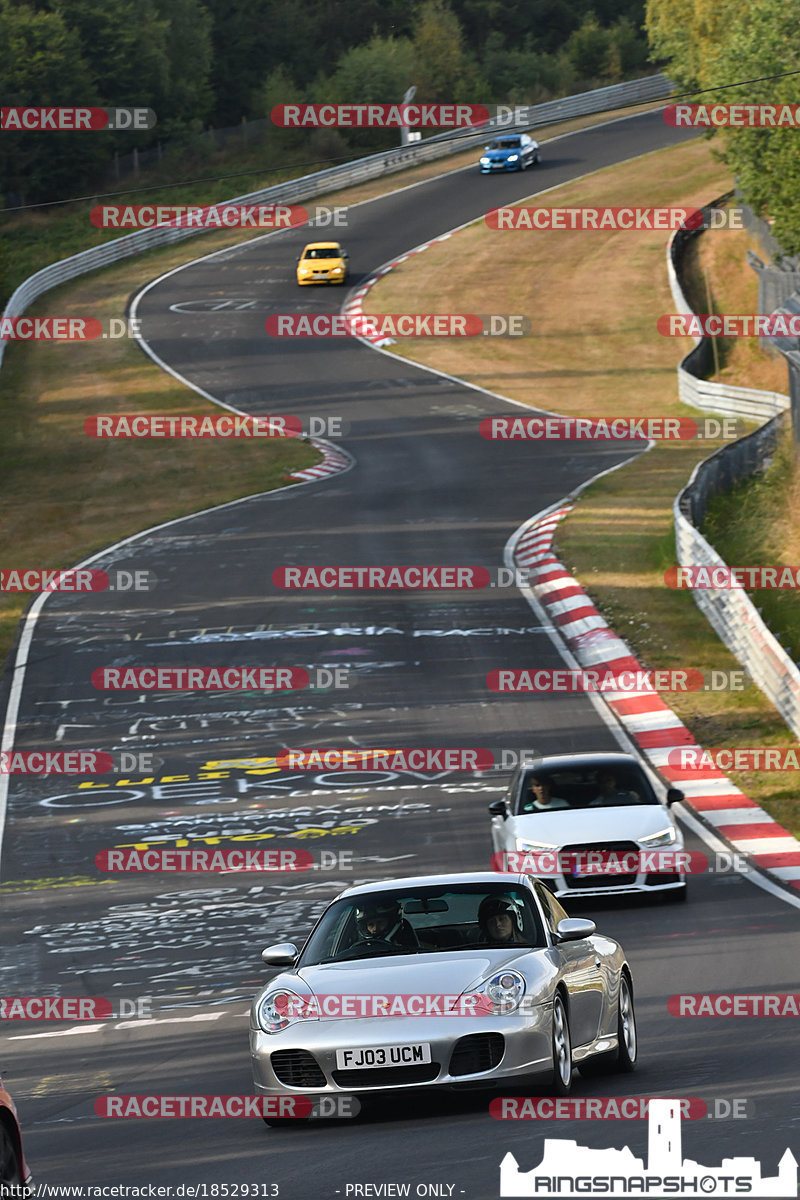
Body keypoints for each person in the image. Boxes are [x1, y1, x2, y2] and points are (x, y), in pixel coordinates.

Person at [353, 898, 418, 949]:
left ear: (392, 922)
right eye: (371, 925)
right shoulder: (357, 951)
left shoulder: (412, 948)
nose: (375, 928)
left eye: (380, 922)